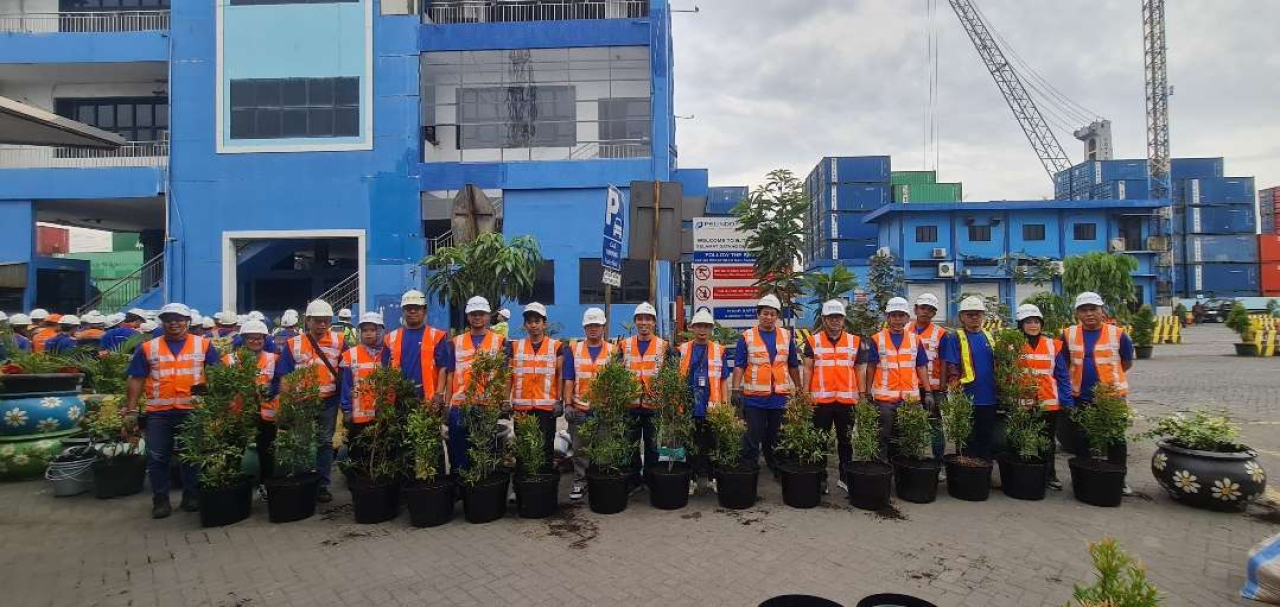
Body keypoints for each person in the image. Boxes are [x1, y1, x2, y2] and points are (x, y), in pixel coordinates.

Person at [124, 303, 221, 519]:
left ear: (187, 321)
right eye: (169, 319)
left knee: (191, 456)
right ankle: (160, 500)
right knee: (157, 457)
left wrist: (213, 404)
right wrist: (130, 410)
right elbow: (137, 378)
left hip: (192, 410)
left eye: (178, 319)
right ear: (163, 322)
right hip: (159, 412)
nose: (173, 323)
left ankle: (191, 496)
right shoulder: (149, 348)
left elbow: (216, 376)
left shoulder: (204, 346)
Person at [275, 299, 348, 503]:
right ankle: (303, 481)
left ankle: (323, 486)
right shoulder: (293, 344)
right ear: (307, 321)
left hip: (329, 401)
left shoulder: (339, 341)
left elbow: (347, 371)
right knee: (301, 443)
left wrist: (345, 401)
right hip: (301, 402)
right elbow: (285, 375)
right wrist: (286, 404)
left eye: (325, 321)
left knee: (325, 443)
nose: (322, 325)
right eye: (317, 321)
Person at [1061, 291, 1135, 492]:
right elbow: (1064, 363)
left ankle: (1119, 480)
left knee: (1115, 439)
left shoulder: (1118, 334)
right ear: (1077, 313)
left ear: (1102, 311)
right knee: (1082, 439)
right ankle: (1084, 477)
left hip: (1111, 397)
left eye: (1093, 309)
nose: (1089, 314)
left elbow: (1126, 362)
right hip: (1080, 396)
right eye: (1083, 310)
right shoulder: (1068, 334)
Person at [802, 299, 868, 493]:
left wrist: (862, 395)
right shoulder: (812, 341)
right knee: (820, 440)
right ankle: (821, 478)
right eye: (831, 317)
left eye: (838, 317)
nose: (835, 321)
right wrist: (805, 394)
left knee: (846, 441)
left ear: (844, 319)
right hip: (821, 401)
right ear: (823, 319)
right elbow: (807, 369)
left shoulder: (854, 341)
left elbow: (859, 370)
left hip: (847, 401)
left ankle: (845, 477)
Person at [732, 294, 801, 479]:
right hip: (754, 397)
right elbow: (739, 365)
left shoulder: (787, 336)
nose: (768, 317)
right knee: (753, 435)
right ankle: (750, 468)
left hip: (779, 397)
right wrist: (735, 389)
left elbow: (793, 364)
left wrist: (800, 388)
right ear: (758, 314)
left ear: (777, 316)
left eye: (772, 314)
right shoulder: (746, 337)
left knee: (776, 435)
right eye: (765, 313)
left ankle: (775, 465)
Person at [438, 296, 505, 475]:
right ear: (468, 316)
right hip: (460, 405)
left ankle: (481, 487)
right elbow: (451, 374)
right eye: (473, 314)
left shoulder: (499, 341)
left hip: (487, 405)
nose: (477, 317)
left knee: (485, 450)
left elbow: (502, 376)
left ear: (488, 316)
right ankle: (460, 486)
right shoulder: (456, 342)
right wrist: (447, 403)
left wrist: (501, 401)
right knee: (458, 451)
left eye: (481, 314)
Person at [1015, 303, 1073, 491]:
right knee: (1023, 438)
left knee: (1046, 441)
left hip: (1049, 402)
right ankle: (1028, 472)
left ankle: (1050, 474)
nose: (1033, 325)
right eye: (1028, 321)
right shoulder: (1012, 345)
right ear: (1020, 324)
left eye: (1036, 321)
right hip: (1022, 402)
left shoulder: (1052, 345)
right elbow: (1006, 375)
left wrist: (1066, 399)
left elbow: (1062, 375)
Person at [866, 297, 933, 459]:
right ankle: (882, 468)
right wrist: (867, 391)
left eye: (901, 315)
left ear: (907, 318)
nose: (897, 319)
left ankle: (903, 470)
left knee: (909, 437)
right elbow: (871, 366)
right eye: (894, 315)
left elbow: (921, 366)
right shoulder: (877, 339)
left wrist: (929, 391)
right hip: (885, 399)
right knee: (882, 436)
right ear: (887, 317)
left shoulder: (915, 340)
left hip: (910, 399)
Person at [224, 320, 280, 499]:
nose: (256, 341)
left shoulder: (274, 359)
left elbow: (281, 383)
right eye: (251, 338)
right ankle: (231, 483)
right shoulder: (229, 360)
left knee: (267, 451)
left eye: (259, 338)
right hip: (239, 413)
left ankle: (266, 484)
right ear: (243, 339)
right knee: (235, 449)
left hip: (266, 413)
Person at [506, 302, 564, 475]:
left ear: (544, 323)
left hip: (546, 408)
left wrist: (559, 400)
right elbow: (508, 376)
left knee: (545, 447)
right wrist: (504, 399)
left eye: (537, 321)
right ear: (525, 325)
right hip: (522, 408)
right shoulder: (515, 347)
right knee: (523, 449)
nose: (533, 325)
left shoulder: (556, 346)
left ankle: (543, 481)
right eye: (530, 321)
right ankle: (523, 485)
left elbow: (559, 375)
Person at [563, 307, 613, 501]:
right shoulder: (573, 350)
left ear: (603, 327)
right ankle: (579, 482)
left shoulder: (613, 351)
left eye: (597, 325)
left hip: (603, 409)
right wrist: (568, 404)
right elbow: (568, 379)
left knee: (603, 448)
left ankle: (600, 481)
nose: (593, 328)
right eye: (589, 325)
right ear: (584, 327)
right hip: (580, 409)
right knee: (580, 449)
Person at [941, 296, 999, 460]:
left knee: (986, 438)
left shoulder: (990, 336)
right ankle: (968, 473)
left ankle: (984, 473)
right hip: (967, 397)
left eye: (978, 314)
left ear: (983, 316)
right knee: (968, 440)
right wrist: (955, 393)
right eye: (970, 314)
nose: (974, 317)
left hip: (989, 398)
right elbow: (952, 365)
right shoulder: (955, 337)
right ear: (962, 317)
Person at [621, 301, 672, 490]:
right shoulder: (623, 345)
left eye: (648, 319)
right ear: (635, 322)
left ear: (654, 323)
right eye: (640, 319)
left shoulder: (664, 346)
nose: (644, 323)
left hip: (654, 405)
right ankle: (634, 481)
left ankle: (651, 480)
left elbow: (672, 375)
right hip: (630, 404)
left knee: (652, 446)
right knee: (631, 444)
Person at [681, 307, 731, 495]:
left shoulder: (719, 350)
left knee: (713, 443)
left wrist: (725, 405)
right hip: (689, 405)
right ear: (692, 328)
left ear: (712, 330)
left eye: (707, 327)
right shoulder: (683, 350)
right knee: (690, 444)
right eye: (699, 326)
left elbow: (724, 378)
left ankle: (712, 478)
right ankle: (692, 479)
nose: (703, 330)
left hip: (713, 407)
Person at [341, 312, 387, 448]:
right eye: (364, 330)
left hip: (382, 416)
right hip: (358, 418)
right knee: (358, 456)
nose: (368, 333)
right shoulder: (351, 354)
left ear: (380, 331)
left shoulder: (388, 354)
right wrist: (347, 410)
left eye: (372, 330)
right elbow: (346, 385)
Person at [913, 293, 949, 463]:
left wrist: (942, 387)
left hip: (933, 388)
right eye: (923, 308)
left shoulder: (941, 333)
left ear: (934, 313)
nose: (926, 312)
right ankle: (911, 458)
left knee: (934, 425)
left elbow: (944, 361)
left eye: (930, 310)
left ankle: (938, 462)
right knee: (910, 423)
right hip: (910, 387)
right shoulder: (904, 329)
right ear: (915, 309)